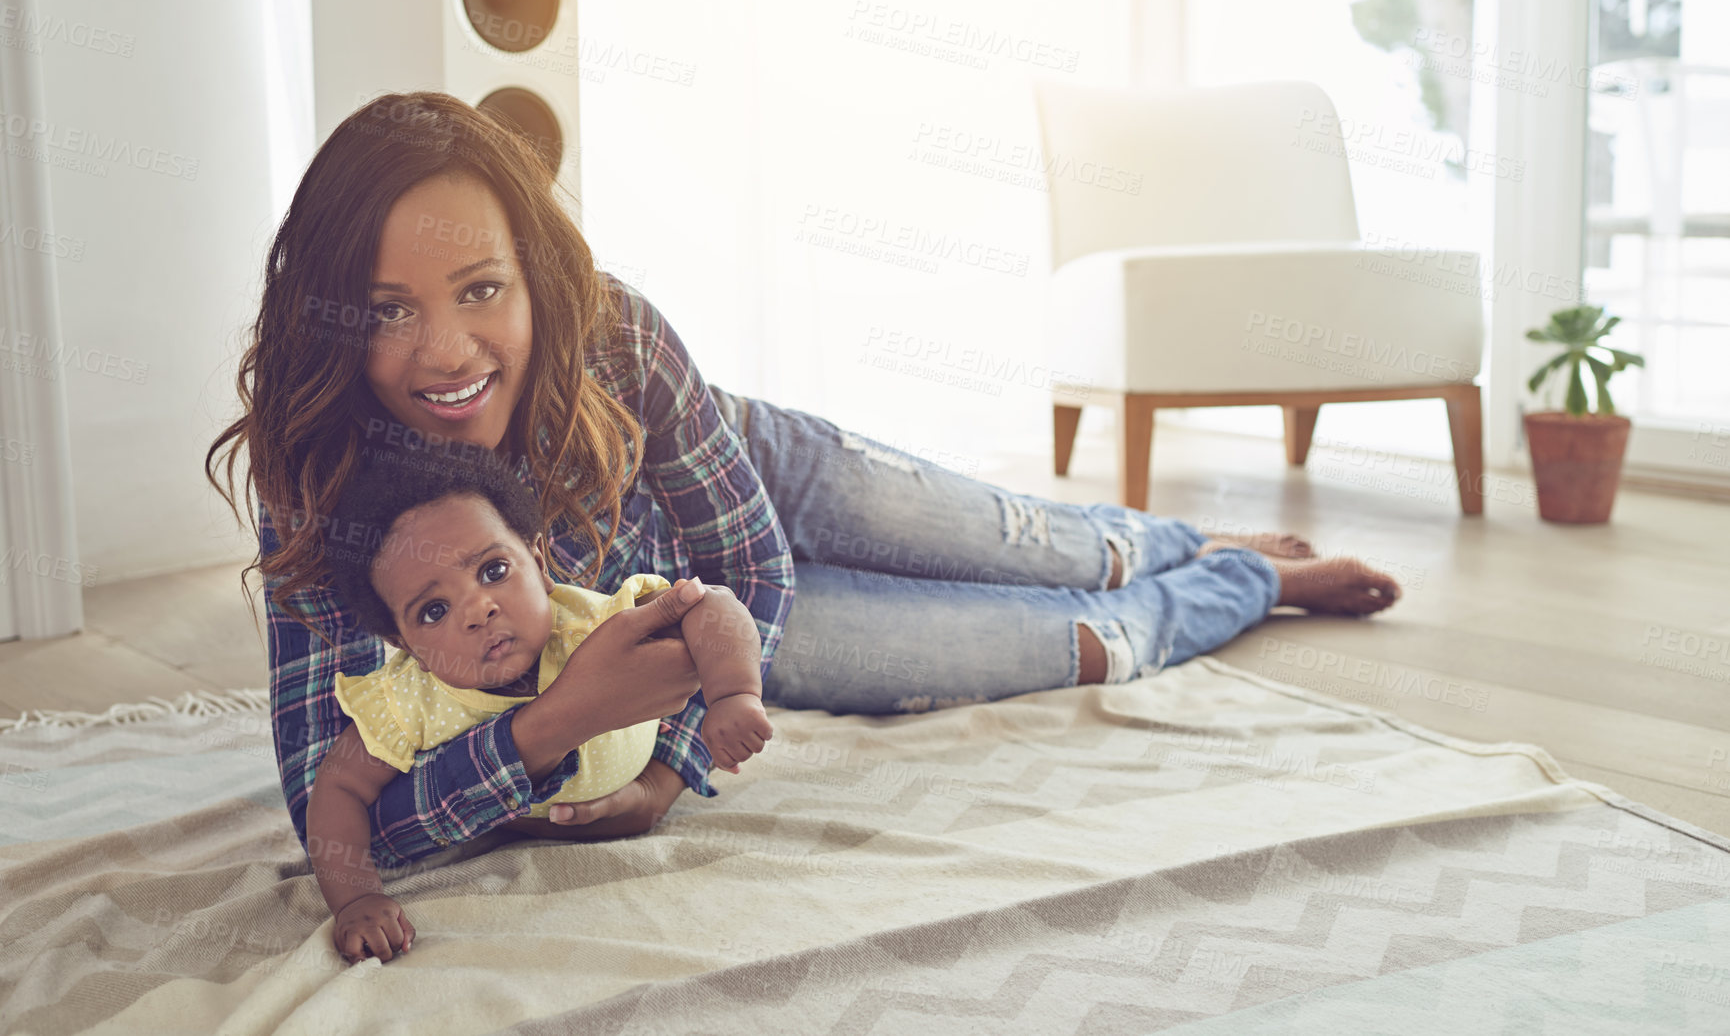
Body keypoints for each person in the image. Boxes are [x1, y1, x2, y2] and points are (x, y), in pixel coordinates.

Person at [204, 91, 1400, 877]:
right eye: (385, 311)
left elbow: (751, 560)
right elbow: (330, 801)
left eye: (479, 289)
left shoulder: (609, 333)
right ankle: (1245, 578)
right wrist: (560, 724)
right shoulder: (316, 467)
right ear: (327, 318)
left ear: (533, 277)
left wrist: (675, 758)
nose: (448, 353)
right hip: (685, 617)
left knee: (1046, 543)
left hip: (747, 488)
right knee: (1077, 640)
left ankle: (1182, 532)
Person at [304, 440, 767, 963]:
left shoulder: (594, 623)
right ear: (407, 647)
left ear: (538, 559)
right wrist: (356, 896)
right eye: (434, 610)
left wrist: (732, 691)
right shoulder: (412, 699)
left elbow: (715, 605)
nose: (478, 609)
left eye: (493, 571)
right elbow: (336, 786)